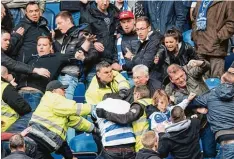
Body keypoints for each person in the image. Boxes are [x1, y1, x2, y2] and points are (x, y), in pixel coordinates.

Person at [24, 80, 96, 159]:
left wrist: (94, 128)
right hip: (37, 144)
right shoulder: (53, 98)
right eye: (62, 89)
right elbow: (73, 108)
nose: (64, 91)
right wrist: (94, 108)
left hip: (39, 146)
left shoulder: (61, 109)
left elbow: (77, 121)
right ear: (54, 91)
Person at [165, 60, 217, 158]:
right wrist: (194, 108)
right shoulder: (168, 90)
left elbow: (207, 67)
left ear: (184, 72)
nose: (181, 80)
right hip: (189, 125)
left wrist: (198, 62)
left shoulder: (192, 74)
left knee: (209, 152)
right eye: (177, 79)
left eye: (182, 76)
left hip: (207, 120)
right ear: (171, 80)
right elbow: (175, 109)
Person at [189, 71, 234, 159]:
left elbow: (190, 102)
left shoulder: (210, 95)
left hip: (228, 143)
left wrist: (196, 109)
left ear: (221, 81)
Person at [55, 11, 99, 98]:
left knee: (65, 104)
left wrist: (83, 58)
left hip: (74, 75)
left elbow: (94, 54)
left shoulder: (81, 34)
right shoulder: (66, 36)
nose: (57, 27)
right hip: (67, 74)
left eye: (59, 23)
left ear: (68, 21)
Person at [96, 85, 151, 152]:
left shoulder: (138, 104)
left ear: (137, 95)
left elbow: (125, 118)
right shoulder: (152, 102)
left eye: (133, 94)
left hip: (143, 144)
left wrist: (105, 114)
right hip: (154, 142)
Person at [192, 1, 234, 78]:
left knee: (216, 82)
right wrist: (195, 36)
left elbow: (231, 23)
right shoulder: (200, 1)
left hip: (216, 48)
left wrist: (217, 37)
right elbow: (195, 18)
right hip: (200, 46)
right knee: (201, 81)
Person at [79, 0, 121, 71]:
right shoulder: (87, 13)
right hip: (95, 61)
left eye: (107, 0)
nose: (105, 3)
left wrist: (120, 32)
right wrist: (93, 43)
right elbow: (82, 35)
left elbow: (121, 28)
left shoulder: (114, 11)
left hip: (113, 59)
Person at [1, 66, 31, 132]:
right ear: (6, 76)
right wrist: (10, 88)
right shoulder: (5, 88)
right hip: (5, 128)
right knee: (31, 114)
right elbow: (24, 108)